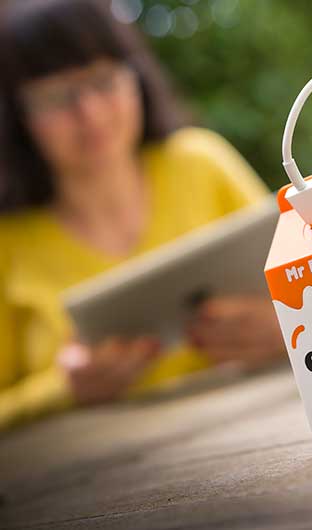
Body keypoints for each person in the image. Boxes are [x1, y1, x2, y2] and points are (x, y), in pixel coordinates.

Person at [0, 0, 284, 430]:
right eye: (58, 97)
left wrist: (288, 331)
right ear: (17, 118)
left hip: (261, 434)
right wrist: (64, 389)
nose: (90, 114)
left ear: (136, 76)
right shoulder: (9, 242)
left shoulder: (200, 163)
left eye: (103, 81)